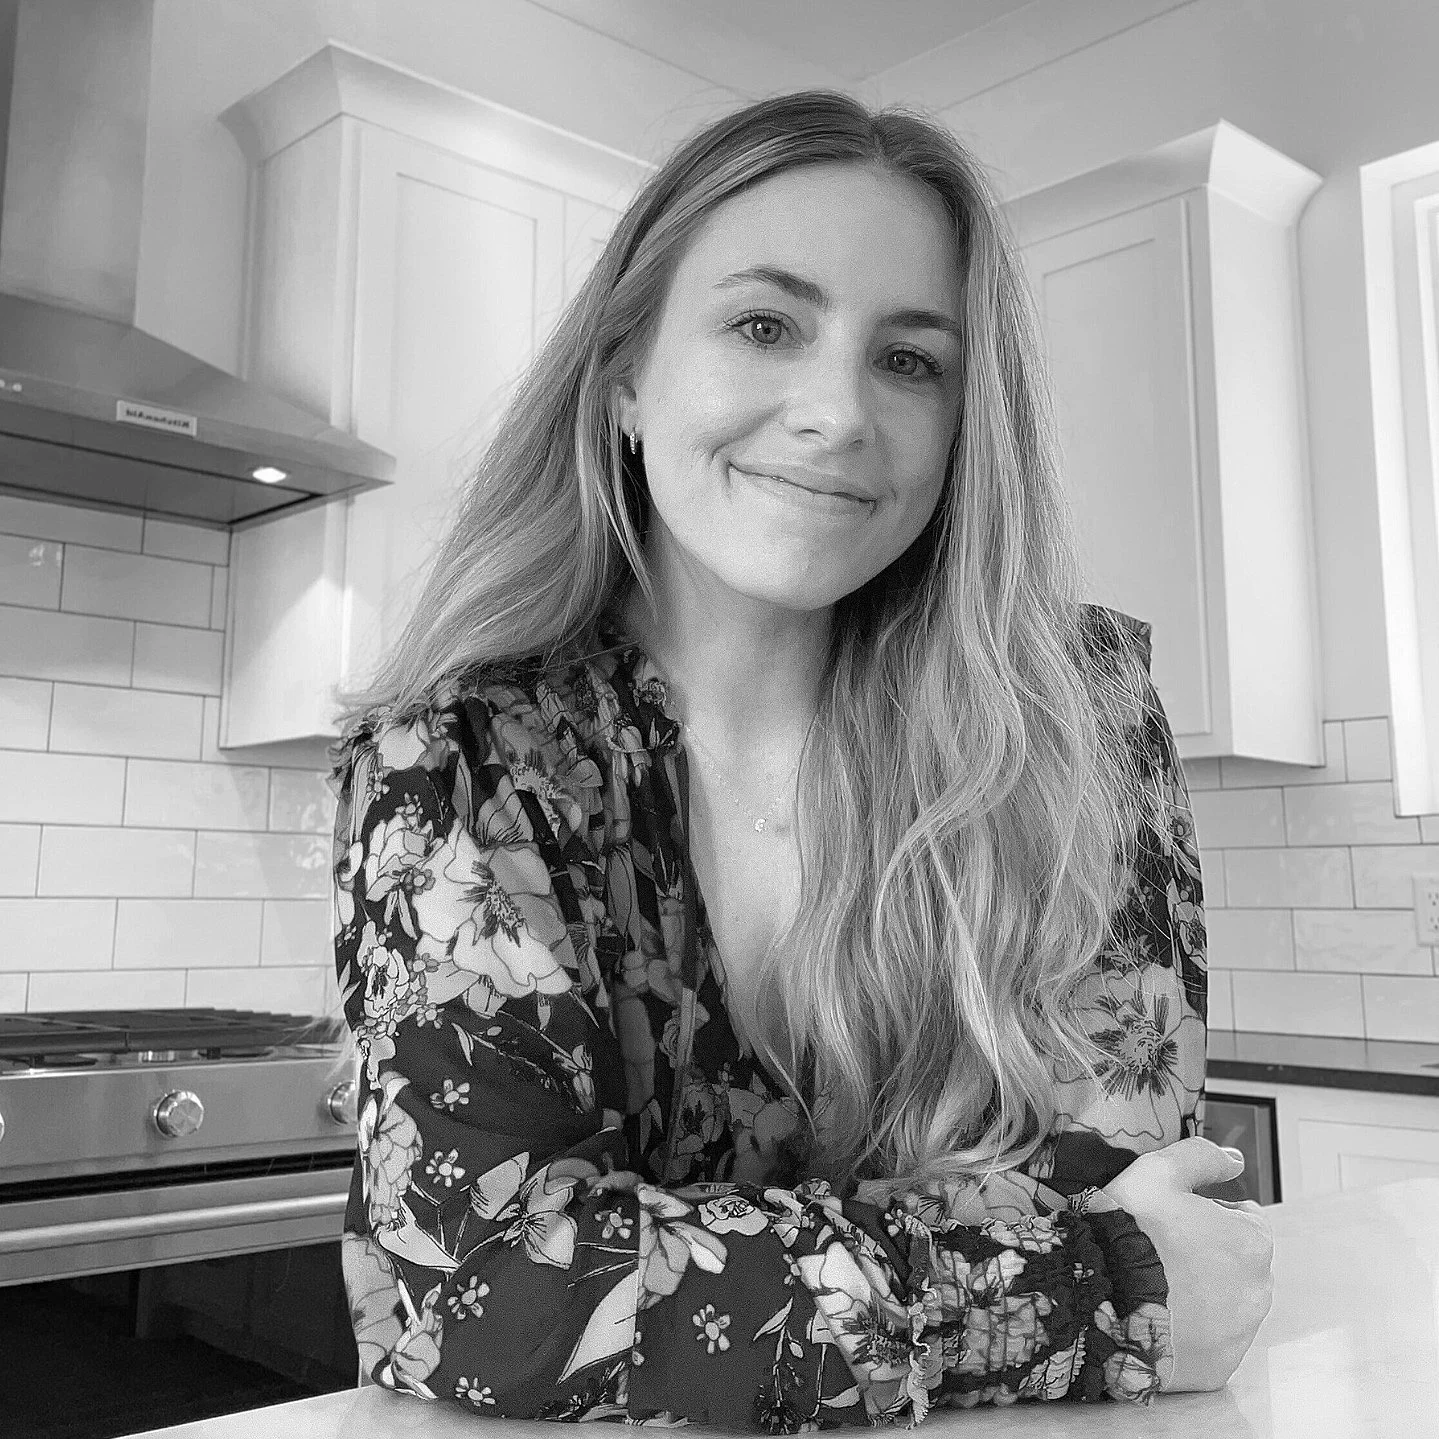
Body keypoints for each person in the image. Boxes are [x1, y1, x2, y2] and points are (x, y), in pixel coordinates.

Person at [325, 89, 1273, 1429]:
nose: (835, 414)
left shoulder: (1077, 719)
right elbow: (490, 1302)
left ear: (961, 425)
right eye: (763, 325)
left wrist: (667, 1265)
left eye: (909, 361)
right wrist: (1082, 1286)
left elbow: (1118, 1186)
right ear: (626, 382)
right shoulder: (460, 760)